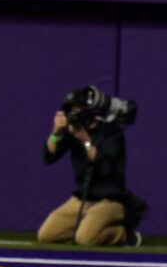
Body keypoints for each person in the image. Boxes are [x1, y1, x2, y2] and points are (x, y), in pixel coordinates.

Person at [38, 86, 143, 247]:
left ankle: (123, 235)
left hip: (110, 201)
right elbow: (49, 157)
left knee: (85, 239)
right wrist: (55, 133)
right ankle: (91, 227)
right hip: (81, 200)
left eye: (77, 109)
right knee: (46, 235)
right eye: (71, 110)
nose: (74, 114)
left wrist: (85, 140)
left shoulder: (112, 132)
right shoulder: (74, 130)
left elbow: (105, 167)